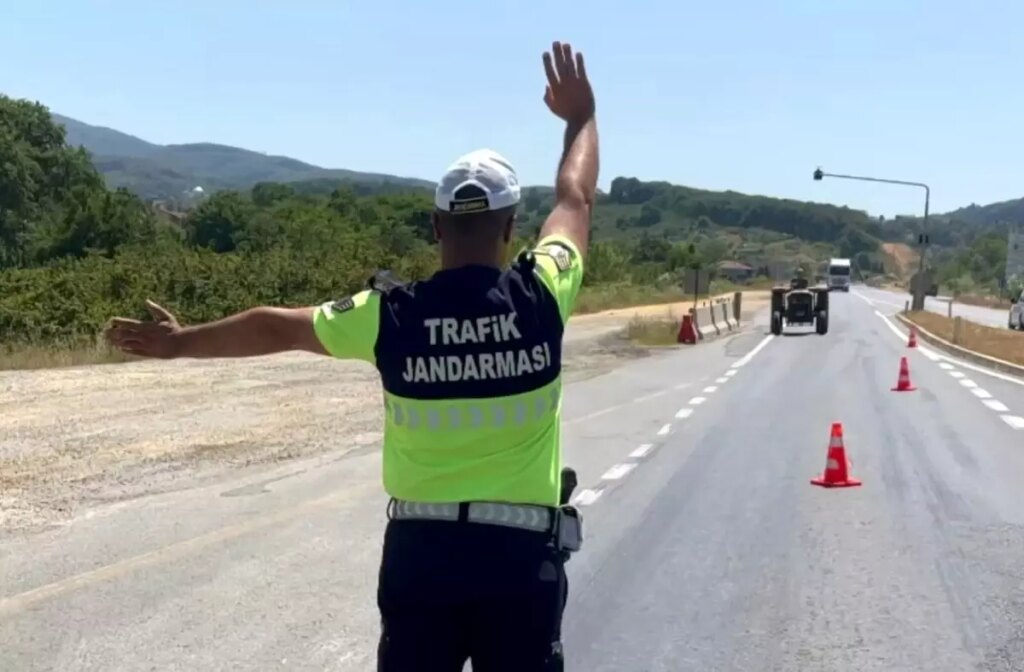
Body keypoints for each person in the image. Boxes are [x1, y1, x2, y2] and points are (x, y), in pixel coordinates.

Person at [104, 40, 598, 671]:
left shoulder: (389, 315)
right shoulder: (542, 293)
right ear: (509, 229)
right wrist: (581, 118)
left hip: (421, 555)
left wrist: (178, 343)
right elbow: (575, 200)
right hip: (519, 559)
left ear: (436, 227)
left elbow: (275, 327)